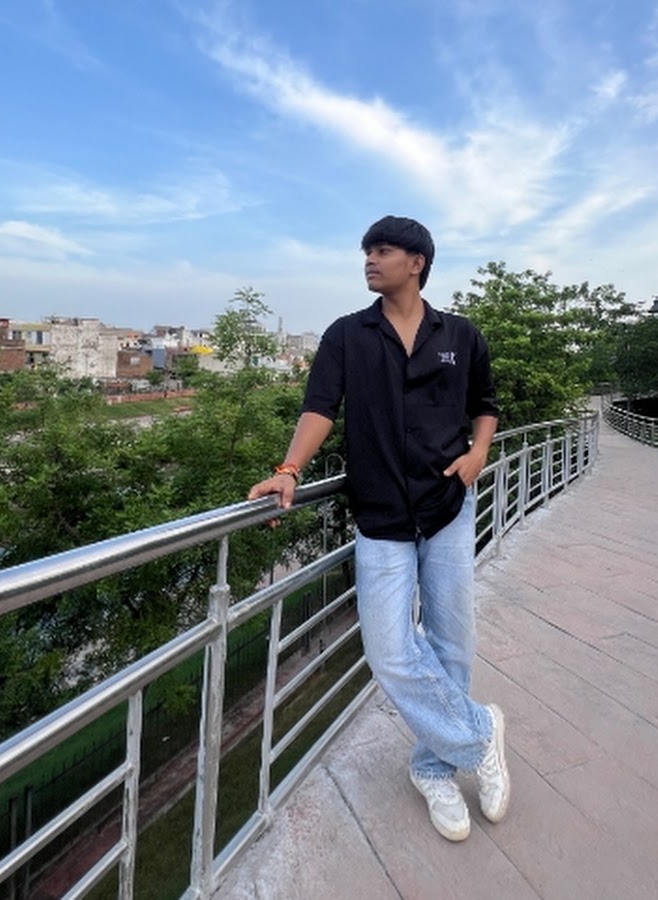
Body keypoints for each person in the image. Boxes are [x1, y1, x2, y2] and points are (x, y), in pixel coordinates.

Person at [247, 215, 509, 842]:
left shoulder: (462, 335)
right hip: (381, 512)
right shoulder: (346, 335)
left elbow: (486, 405)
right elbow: (319, 408)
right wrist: (288, 469)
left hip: (447, 505)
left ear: (416, 262)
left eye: (382, 250)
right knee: (389, 649)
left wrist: (479, 453)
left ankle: (434, 769)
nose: (369, 259)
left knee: (451, 642)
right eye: (367, 250)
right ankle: (480, 734)